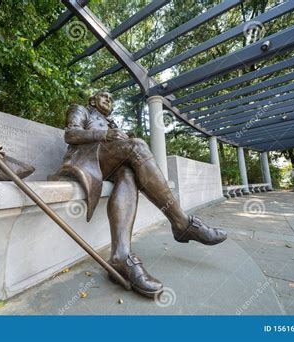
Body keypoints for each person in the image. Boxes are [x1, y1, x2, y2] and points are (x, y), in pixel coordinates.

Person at [51, 91, 227, 298]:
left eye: (112, 99)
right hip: (84, 162)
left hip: (106, 166)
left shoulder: (112, 124)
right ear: (92, 101)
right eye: (104, 97)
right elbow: (70, 135)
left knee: (127, 174)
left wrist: (115, 135)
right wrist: (105, 135)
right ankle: (181, 223)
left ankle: (120, 256)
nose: (109, 100)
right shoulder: (81, 110)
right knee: (138, 146)